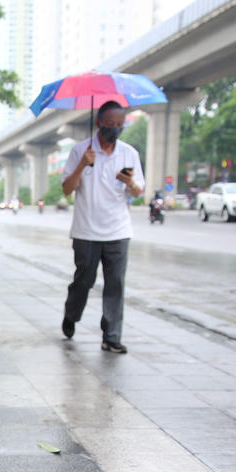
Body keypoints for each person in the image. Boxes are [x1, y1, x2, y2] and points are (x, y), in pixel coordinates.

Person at [59, 100, 144, 353]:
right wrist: (82, 165)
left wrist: (130, 183)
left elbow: (138, 192)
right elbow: (67, 189)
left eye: (120, 124)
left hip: (118, 231)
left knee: (115, 284)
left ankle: (112, 336)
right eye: (110, 123)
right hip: (86, 231)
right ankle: (71, 314)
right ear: (98, 123)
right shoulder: (80, 151)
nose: (115, 128)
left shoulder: (129, 153)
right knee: (83, 281)